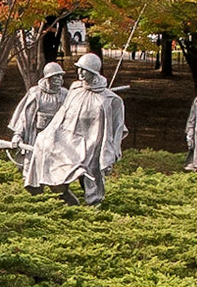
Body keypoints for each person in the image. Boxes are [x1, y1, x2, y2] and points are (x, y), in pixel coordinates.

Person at [23, 53, 127, 206]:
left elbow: (116, 129)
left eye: (83, 70)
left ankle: (94, 203)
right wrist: (48, 134)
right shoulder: (75, 88)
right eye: (78, 69)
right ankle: (61, 191)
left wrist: (111, 153)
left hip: (92, 143)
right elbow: (62, 115)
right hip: (69, 138)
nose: (79, 73)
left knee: (90, 169)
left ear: (93, 72)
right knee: (45, 145)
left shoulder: (109, 100)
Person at [5, 62, 67, 169]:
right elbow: (25, 117)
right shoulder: (36, 93)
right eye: (55, 76)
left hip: (58, 140)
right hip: (36, 137)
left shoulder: (65, 94)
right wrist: (18, 135)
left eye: (60, 75)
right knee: (32, 173)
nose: (59, 78)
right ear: (48, 78)